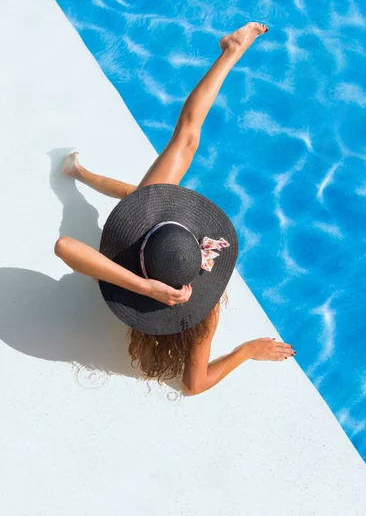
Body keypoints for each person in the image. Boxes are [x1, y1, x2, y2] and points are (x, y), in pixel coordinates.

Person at [54, 22, 295, 395]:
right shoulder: (202, 312)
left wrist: (143, 286)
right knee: (148, 182)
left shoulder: (118, 264)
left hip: (135, 265)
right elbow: (193, 385)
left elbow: (65, 247)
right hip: (137, 276)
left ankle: (231, 50)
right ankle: (81, 173)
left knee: (176, 150)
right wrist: (245, 352)